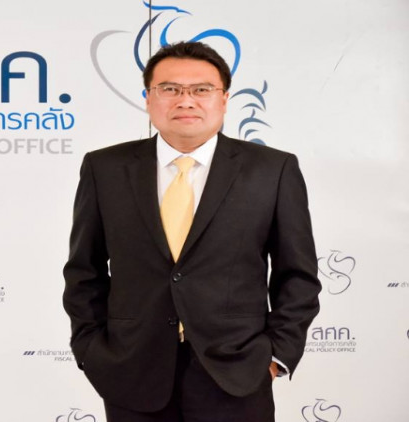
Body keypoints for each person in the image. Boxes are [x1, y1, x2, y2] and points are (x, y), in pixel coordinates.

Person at [62, 41, 321, 422]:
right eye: (170, 89)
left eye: (201, 89)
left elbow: (297, 276)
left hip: (238, 373)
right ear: (148, 98)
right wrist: (91, 349)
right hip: (132, 372)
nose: (186, 101)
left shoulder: (272, 170)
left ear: (224, 99)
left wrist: (274, 357)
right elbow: (84, 270)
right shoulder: (105, 168)